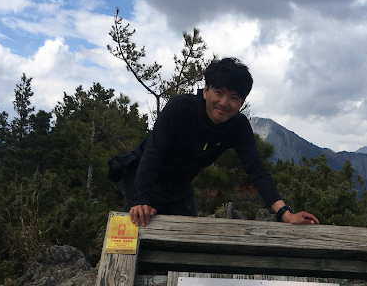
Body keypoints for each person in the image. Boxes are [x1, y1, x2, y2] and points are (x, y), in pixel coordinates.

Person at [120, 57, 319, 227]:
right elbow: (153, 155)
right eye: (218, 92)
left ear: (241, 103)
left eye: (233, 97)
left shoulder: (238, 126)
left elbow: (256, 169)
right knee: (141, 230)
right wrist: (141, 199)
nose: (224, 103)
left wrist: (285, 213)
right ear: (206, 90)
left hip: (181, 185)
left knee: (185, 241)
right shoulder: (180, 108)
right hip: (143, 177)